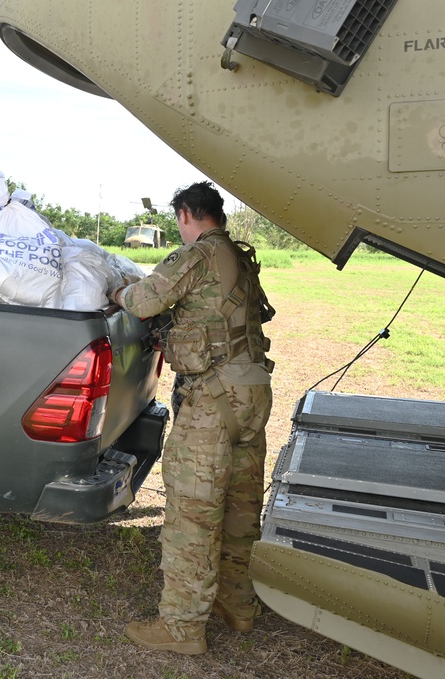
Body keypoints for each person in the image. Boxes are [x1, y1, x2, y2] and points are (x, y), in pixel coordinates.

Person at [110, 181, 275, 654]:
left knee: (193, 512)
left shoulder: (199, 255)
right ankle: (237, 603)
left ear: (186, 214)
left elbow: (144, 302)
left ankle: (182, 627)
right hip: (252, 393)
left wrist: (118, 290)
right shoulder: (241, 256)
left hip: (213, 398)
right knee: (242, 506)